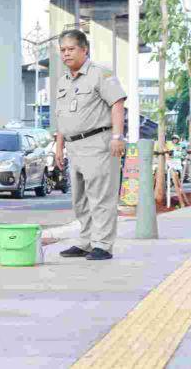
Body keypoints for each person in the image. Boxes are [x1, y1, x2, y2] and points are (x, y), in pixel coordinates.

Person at [54, 29, 126, 261]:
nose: (66, 54)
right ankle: (85, 241)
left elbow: (117, 103)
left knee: (101, 197)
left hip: (98, 143)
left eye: (71, 49)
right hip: (74, 147)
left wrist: (117, 137)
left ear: (84, 50)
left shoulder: (100, 74)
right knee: (80, 198)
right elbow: (61, 117)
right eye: (63, 50)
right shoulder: (63, 80)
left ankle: (103, 245)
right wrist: (59, 147)